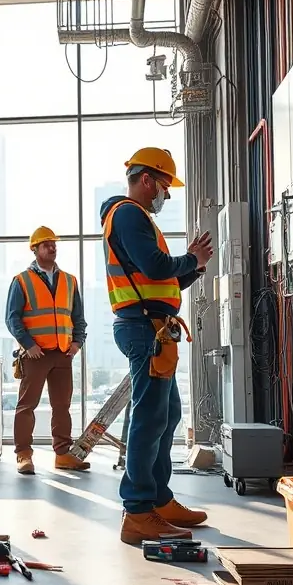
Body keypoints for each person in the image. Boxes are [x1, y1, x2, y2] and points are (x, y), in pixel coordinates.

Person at [100, 147, 214, 545]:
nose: (166, 193)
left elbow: (164, 281)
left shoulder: (138, 218)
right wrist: (190, 258)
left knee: (166, 413)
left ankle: (159, 498)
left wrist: (194, 268)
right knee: (150, 418)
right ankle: (138, 510)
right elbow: (156, 267)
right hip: (144, 328)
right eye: (165, 185)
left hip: (155, 327)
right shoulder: (129, 214)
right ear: (146, 179)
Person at [5, 226, 88, 475]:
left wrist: (76, 344)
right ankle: (23, 454)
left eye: (54, 244)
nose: (52, 247)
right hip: (35, 354)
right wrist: (28, 345)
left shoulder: (70, 281)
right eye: (46, 244)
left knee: (62, 406)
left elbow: (78, 318)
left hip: (63, 353)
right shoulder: (21, 281)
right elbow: (12, 318)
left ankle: (63, 454)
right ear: (35, 249)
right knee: (26, 406)